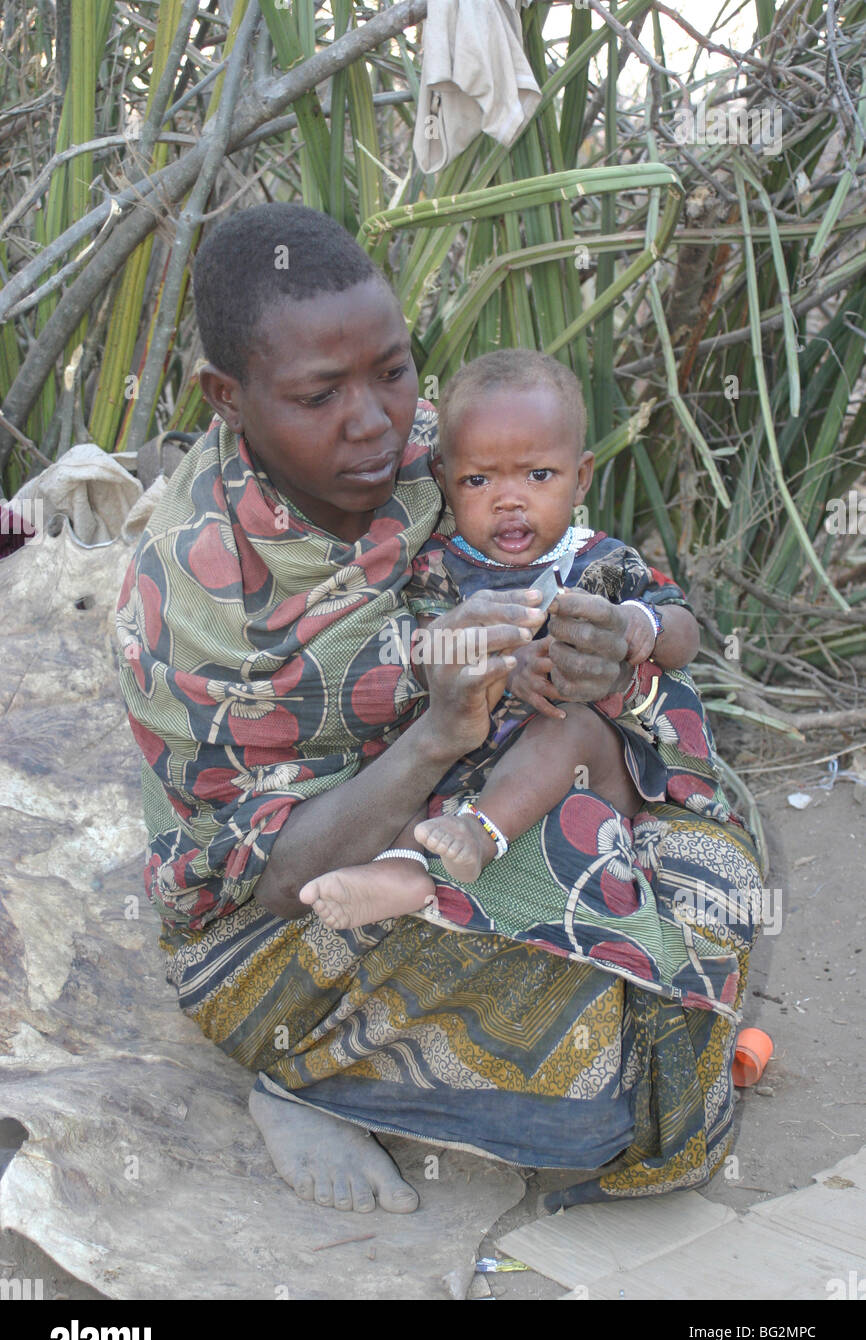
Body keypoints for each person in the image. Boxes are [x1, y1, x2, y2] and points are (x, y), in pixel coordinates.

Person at [116, 201, 764, 1218]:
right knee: (611, 1091)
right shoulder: (190, 610)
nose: (375, 421)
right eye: (319, 393)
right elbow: (279, 881)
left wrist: (596, 646)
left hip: (475, 800)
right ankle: (297, 1074)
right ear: (227, 398)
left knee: (711, 877)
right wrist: (437, 732)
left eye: (391, 368)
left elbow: (605, 581)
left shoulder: (437, 450)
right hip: (285, 921)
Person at [299, 349, 713, 937]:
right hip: (467, 756)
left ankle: (483, 834)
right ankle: (401, 869)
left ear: (582, 477)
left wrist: (635, 629)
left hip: (582, 764)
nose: (509, 499)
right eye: (478, 479)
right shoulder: (438, 570)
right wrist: (493, 666)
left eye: (538, 475)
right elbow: (421, 653)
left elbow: (685, 632)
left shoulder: (602, 561)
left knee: (564, 726)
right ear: (443, 479)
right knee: (396, 753)